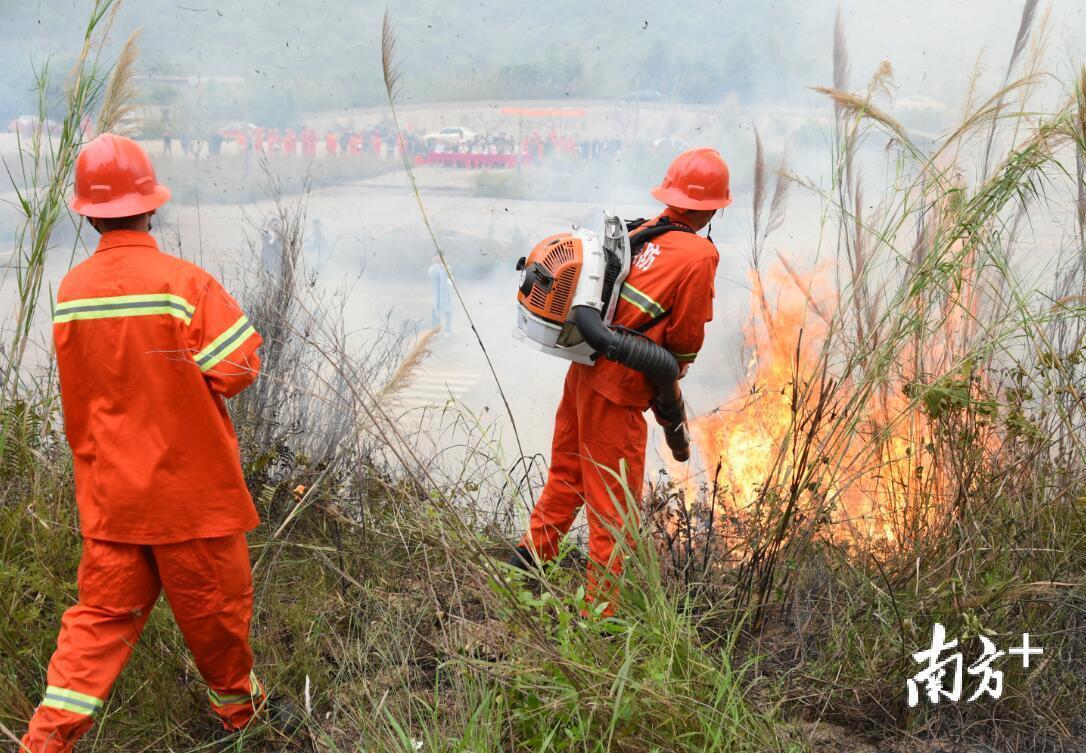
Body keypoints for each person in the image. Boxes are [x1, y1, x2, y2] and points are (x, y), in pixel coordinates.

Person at [19, 134, 289, 752]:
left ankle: (44, 742)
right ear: (152, 206)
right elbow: (237, 371)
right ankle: (243, 723)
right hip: (190, 500)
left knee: (96, 626)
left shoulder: (71, 294)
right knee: (217, 621)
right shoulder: (184, 284)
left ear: (86, 214)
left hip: (112, 501)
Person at [509, 147, 731, 613]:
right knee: (614, 505)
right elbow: (686, 338)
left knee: (566, 473)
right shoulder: (699, 254)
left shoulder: (644, 231)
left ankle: (526, 564)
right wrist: (670, 377)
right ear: (712, 207)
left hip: (584, 372)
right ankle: (603, 616)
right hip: (619, 389)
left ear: (671, 195)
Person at [428, 255, 454, 333]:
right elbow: (431, 274)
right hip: (437, 295)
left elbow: (450, 278)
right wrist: (436, 264)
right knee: (436, 311)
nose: (439, 259)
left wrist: (445, 266)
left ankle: (448, 330)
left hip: (446, 294)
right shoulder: (432, 268)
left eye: (441, 257)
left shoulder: (448, 267)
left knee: (448, 312)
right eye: (437, 257)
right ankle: (435, 330)